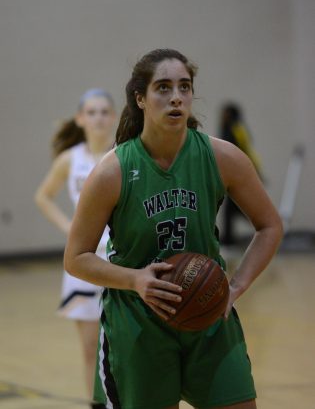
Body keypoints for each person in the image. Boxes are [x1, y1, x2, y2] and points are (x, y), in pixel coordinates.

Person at [64, 49, 283, 409]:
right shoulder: (112, 171)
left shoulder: (222, 157)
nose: (176, 97)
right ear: (140, 98)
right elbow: (76, 258)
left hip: (209, 313)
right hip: (138, 322)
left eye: (184, 86)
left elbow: (270, 225)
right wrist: (135, 279)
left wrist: (237, 286)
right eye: (163, 88)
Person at [35, 88, 116, 409]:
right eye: (92, 112)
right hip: (83, 264)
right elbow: (43, 196)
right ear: (81, 119)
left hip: (121, 261)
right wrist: (70, 229)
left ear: (113, 117)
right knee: (90, 352)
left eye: (104, 111)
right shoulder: (70, 159)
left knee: (123, 348)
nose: (98, 117)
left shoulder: (123, 153)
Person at [219, 103, 263, 246]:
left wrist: (257, 173)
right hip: (230, 175)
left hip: (238, 175)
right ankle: (228, 238)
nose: (223, 116)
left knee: (238, 209)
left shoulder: (238, 129)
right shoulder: (226, 129)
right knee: (231, 210)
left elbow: (247, 151)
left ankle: (264, 228)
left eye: (226, 113)